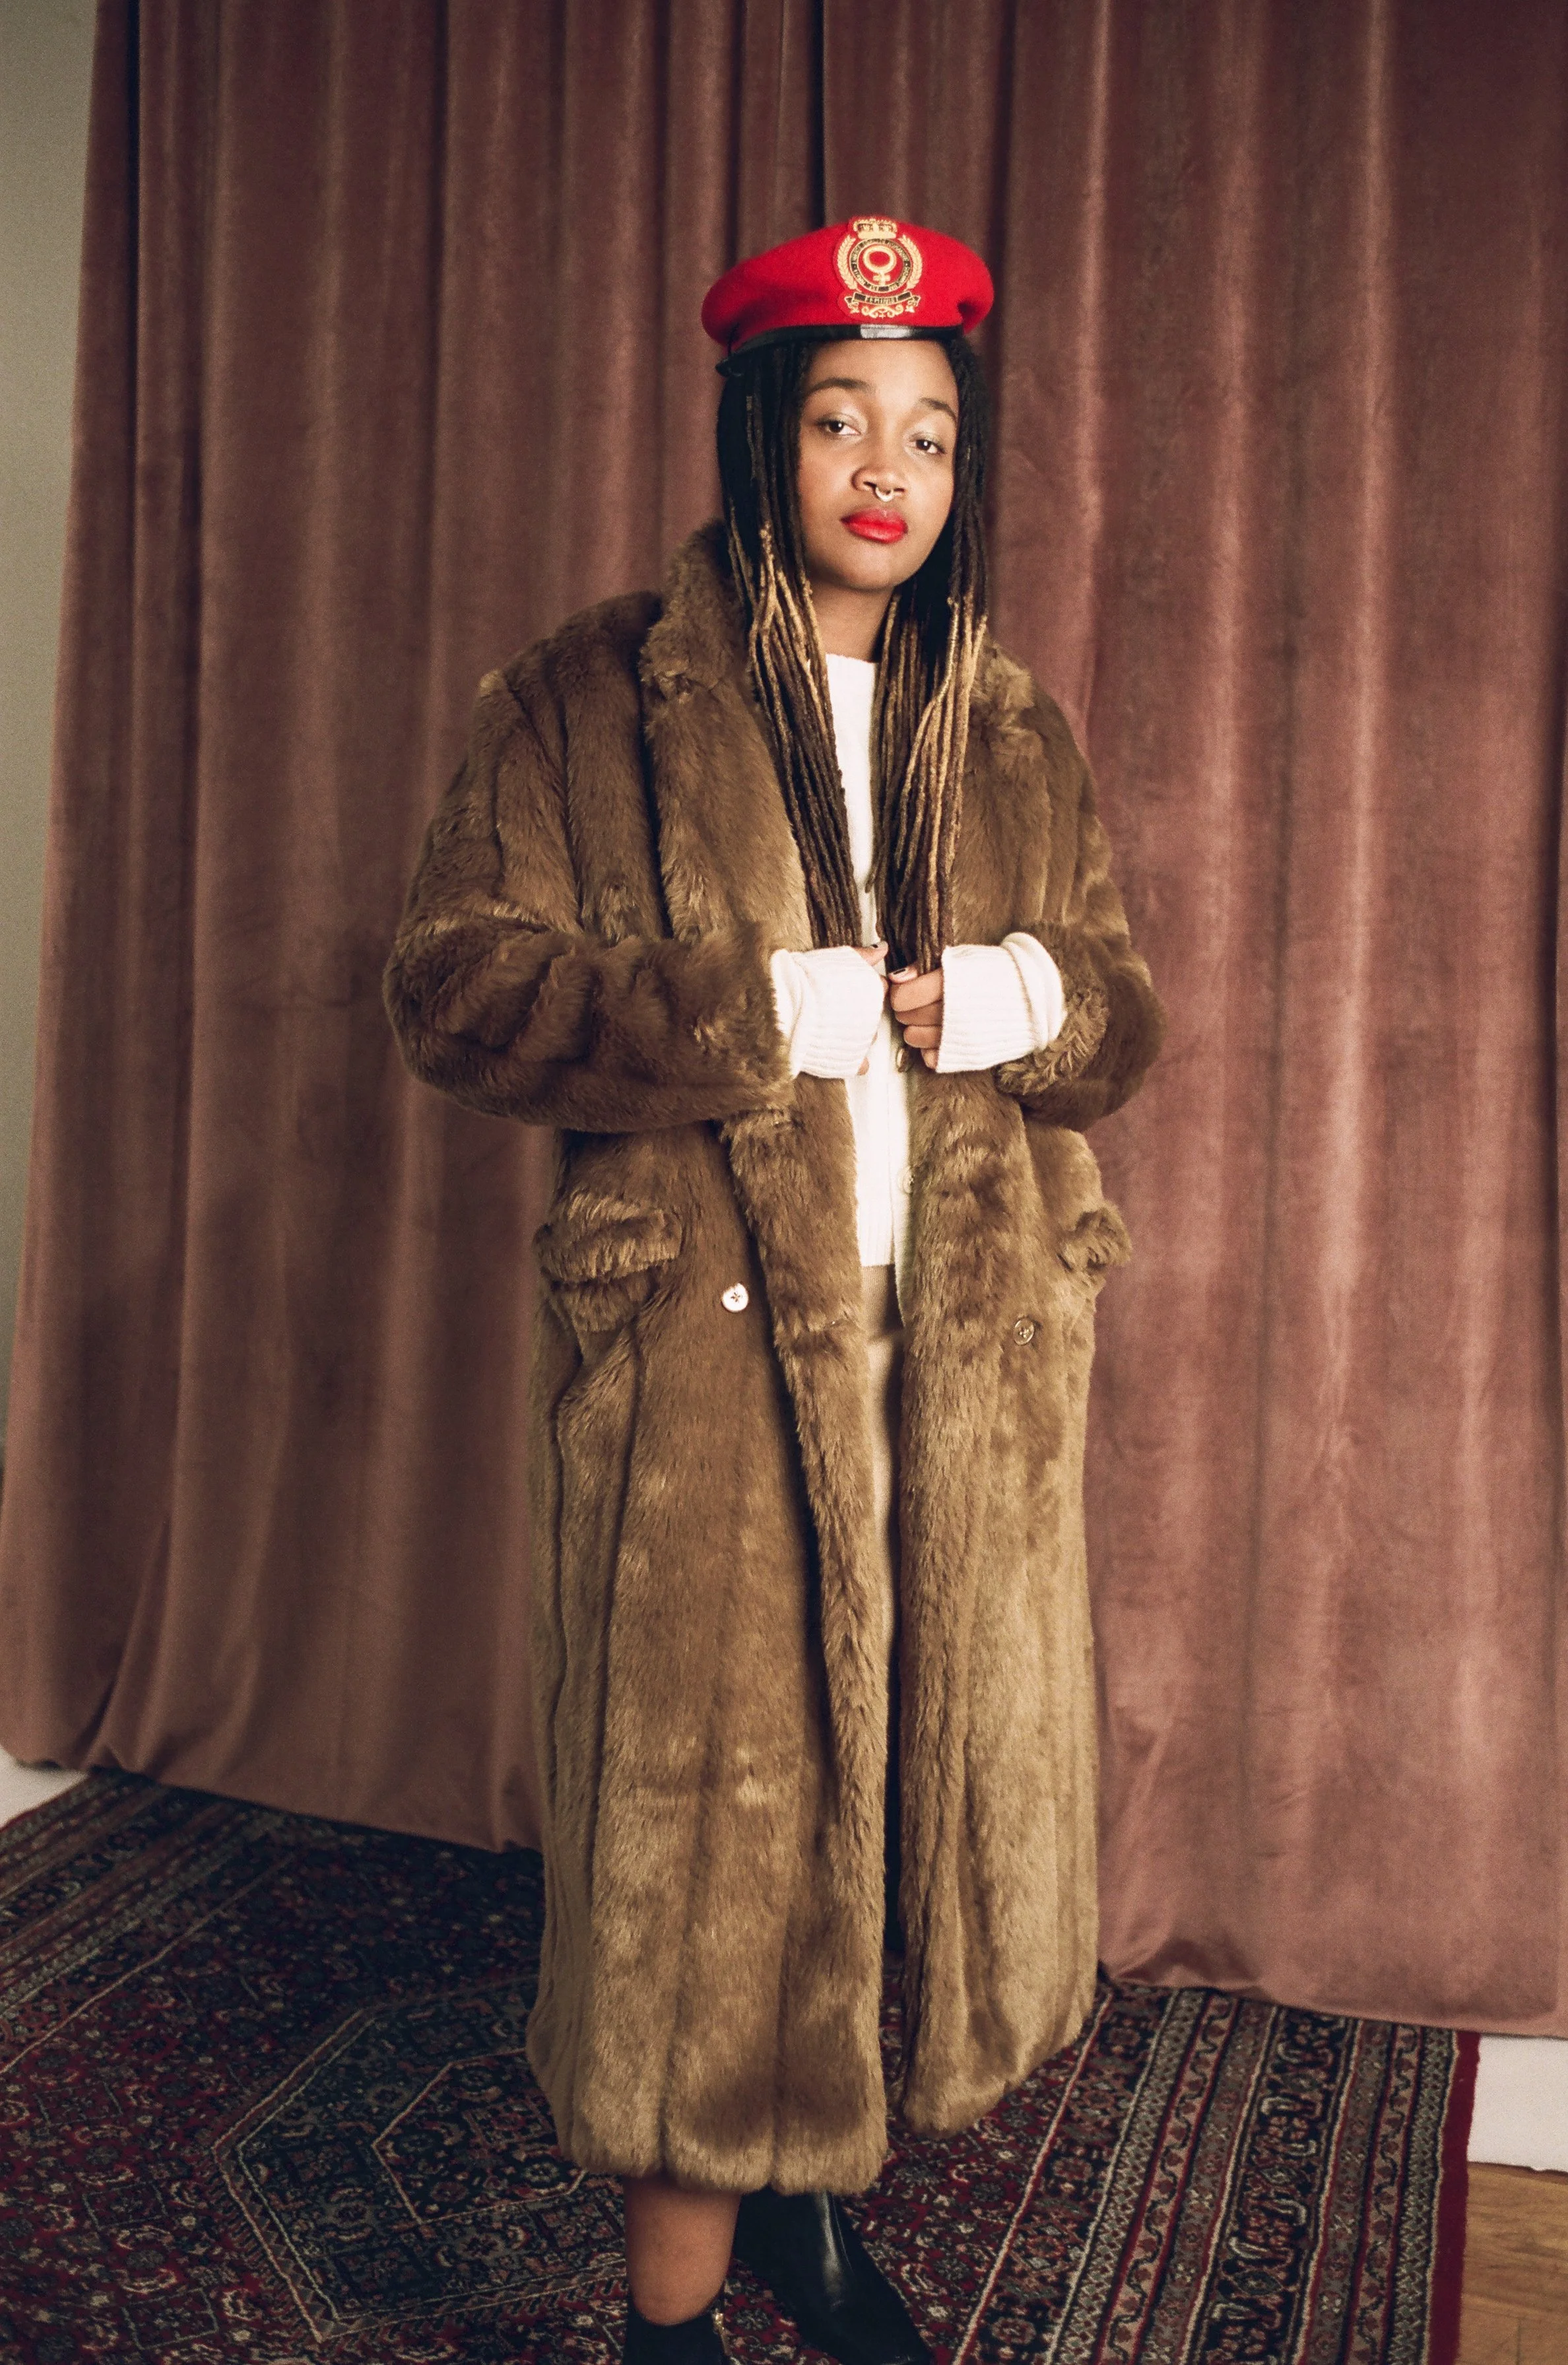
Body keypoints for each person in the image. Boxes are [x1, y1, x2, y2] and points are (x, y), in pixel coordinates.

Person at [385, 215, 1163, 2365]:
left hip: (966, 1376)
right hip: (707, 1381)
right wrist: (755, 1009)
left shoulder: (1005, 722)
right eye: (843, 420)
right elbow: (452, 993)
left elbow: (1122, 1017)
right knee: (709, 1881)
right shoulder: (588, 698)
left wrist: (1018, 994)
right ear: (767, 433)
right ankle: (668, 2323)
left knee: (891, 1829)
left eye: (925, 430)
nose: (886, 470)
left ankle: (815, 2230)